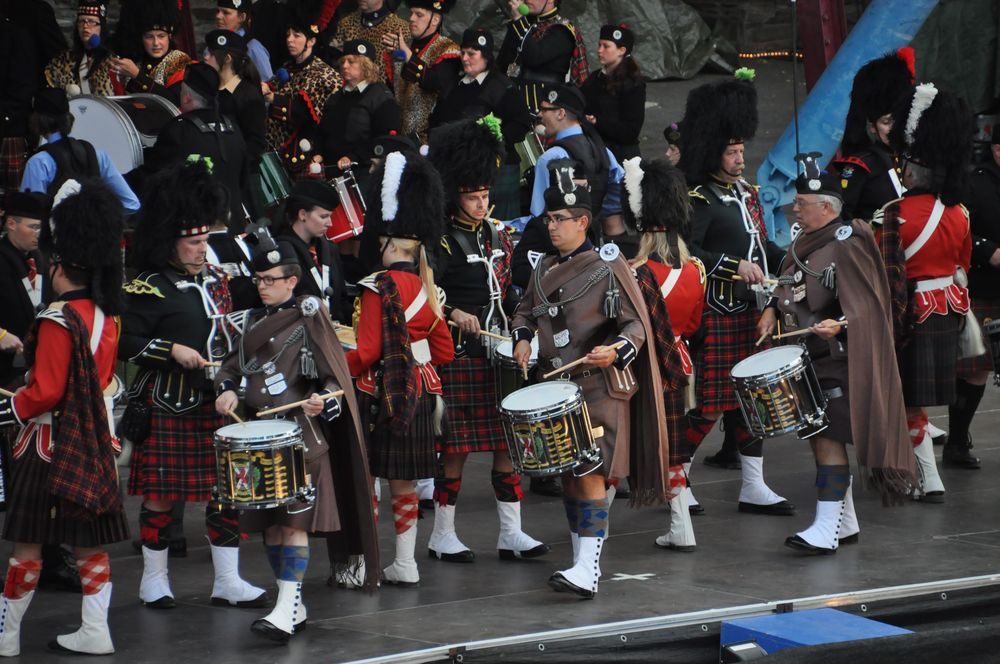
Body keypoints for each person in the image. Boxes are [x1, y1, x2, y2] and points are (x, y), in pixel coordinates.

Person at [510, 166, 671, 598]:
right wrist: (522, 339)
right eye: (548, 220)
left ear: (582, 222)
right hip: (554, 385)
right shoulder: (543, 264)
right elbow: (525, 311)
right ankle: (581, 560)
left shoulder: (608, 263)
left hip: (597, 382)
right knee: (568, 473)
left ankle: (589, 567)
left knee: (589, 469)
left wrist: (616, 349)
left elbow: (636, 324)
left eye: (559, 220)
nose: (551, 226)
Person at [122, 160, 267, 611]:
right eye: (195, 242)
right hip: (168, 404)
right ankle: (154, 581)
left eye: (206, 240)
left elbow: (237, 333)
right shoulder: (146, 287)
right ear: (170, 241)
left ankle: (227, 581)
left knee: (225, 495)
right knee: (161, 499)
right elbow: (123, 342)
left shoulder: (217, 280)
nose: (204, 249)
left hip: (217, 402)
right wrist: (170, 350)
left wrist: (233, 379)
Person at [215, 241, 377, 641]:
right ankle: (293, 603)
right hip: (258, 439)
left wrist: (325, 400)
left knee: (292, 526)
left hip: (301, 441)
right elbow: (229, 367)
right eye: (258, 280)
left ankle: (286, 607)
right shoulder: (250, 321)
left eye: (271, 280)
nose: (263, 287)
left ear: (292, 279)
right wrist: (228, 388)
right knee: (271, 528)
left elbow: (334, 378)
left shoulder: (309, 318)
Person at [757, 161, 916, 553]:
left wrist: (841, 324)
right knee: (817, 438)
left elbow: (871, 304)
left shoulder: (848, 242)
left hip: (838, 358)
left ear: (827, 208)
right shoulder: (801, 244)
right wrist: (770, 310)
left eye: (802, 203)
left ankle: (826, 527)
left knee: (826, 439)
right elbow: (788, 287)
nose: (795, 209)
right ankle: (844, 523)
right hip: (805, 357)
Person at [0, 178, 127, 656]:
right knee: (87, 545)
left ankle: (6, 636)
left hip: (47, 445)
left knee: (27, 545)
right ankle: (96, 631)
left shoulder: (56, 318)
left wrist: (10, 404)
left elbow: (46, 392)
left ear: (59, 267)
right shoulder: (106, 318)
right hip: (92, 444)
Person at [425, 116, 549, 564]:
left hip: (500, 356)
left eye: (485, 196)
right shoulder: (438, 241)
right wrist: (452, 312)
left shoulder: (498, 233)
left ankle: (511, 533)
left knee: (507, 445)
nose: (482, 204)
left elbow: (514, 290)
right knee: (454, 450)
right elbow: (425, 296)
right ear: (455, 192)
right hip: (461, 356)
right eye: (473, 197)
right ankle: (442, 534)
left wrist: (522, 332)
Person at [678, 70, 792, 514]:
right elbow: (686, 251)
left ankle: (753, 485)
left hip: (754, 311)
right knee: (709, 407)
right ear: (713, 152)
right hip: (717, 312)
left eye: (742, 150)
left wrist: (793, 258)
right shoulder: (700, 198)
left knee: (751, 403)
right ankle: (678, 479)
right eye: (731, 152)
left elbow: (761, 244)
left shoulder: (746, 193)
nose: (740, 158)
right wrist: (731, 266)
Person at [345, 149, 453, 587]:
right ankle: (404, 564)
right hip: (424, 392)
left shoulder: (378, 286)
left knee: (370, 480)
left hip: (382, 392)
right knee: (405, 482)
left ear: (390, 244)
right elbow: (443, 350)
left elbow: (368, 350)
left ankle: (368, 562)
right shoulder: (429, 288)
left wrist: (337, 364)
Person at [880, 84, 974, 502]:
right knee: (912, 399)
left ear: (913, 171)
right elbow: (962, 266)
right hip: (947, 312)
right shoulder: (960, 213)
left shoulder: (895, 214)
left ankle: (927, 477)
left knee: (902, 397)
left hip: (907, 313)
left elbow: (885, 273)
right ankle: (919, 473)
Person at [620, 156, 705, 548]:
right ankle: (681, 527)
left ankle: (592, 532)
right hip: (682, 364)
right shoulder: (695, 270)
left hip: (644, 367)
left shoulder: (637, 271)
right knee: (670, 449)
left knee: (619, 449)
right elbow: (695, 325)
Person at [429, 28, 533, 221]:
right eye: (463, 53)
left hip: (497, 169)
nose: (465, 58)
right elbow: (437, 121)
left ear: (485, 55)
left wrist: (489, 143)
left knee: (499, 228)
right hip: (458, 170)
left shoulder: (503, 86)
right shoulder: (455, 85)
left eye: (471, 54)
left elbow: (521, 123)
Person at [146, 63, 254, 229]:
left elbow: (156, 178)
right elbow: (243, 179)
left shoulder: (178, 129)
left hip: (196, 231)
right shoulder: (233, 127)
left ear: (187, 97)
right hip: (235, 228)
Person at [516, 84, 624, 242]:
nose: (540, 115)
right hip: (593, 242)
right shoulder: (603, 151)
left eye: (544, 110)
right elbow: (620, 188)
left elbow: (539, 216)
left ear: (560, 113)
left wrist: (504, 226)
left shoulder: (549, 159)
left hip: (558, 248)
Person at [953, 128, 1000, 468]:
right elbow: (959, 229)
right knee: (975, 370)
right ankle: (957, 442)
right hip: (985, 287)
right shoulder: (976, 183)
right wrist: (989, 251)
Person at [20, 88, 140, 213]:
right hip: (96, 231)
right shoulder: (99, 156)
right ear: (68, 118)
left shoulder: (38, 163)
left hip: (57, 231)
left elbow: (29, 214)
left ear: (37, 120)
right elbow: (131, 203)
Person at [833, 49, 915, 223]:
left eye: (899, 120)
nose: (895, 129)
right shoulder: (860, 166)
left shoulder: (915, 158)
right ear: (872, 127)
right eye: (886, 122)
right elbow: (841, 220)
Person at [265, 12, 343, 177]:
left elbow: (306, 115)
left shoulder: (323, 75)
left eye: (297, 35)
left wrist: (273, 98)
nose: (289, 40)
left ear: (312, 41)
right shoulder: (287, 67)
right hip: (277, 152)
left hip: (304, 156)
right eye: (288, 35)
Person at [319, 39, 401, 187]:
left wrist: (353, 157)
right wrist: (317, 152)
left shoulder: (381, 97)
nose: (344, 65)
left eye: (351, 62)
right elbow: (323, 130)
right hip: (330, 173)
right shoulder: (336, 97)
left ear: (366, 64)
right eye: (343, 61)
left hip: (362, 176)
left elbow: (386, 139)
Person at [383, 0, 460, 141]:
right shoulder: (406, 46)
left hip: (427, 141)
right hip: (399, 138)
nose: (411, 18)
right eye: (411, 13)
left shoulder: (448, 49)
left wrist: (408, 55)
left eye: (419, 15)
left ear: (435, 20)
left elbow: (435, 83)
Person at [274, 179, 349, 322]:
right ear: (302, 214)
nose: (330, 223)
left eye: (330, 216)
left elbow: (342, 300)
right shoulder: (281, 253)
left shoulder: (329, 250)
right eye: (323, 216)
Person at [496, 0, 588, 114]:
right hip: (510, 98)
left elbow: (535, 57)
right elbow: (502, 62)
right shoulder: (524, 25)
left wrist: (520, 21)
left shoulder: (562, 30)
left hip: (540, 107)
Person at [0, 192, 48, 386]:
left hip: (31, 367)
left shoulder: (39, 260)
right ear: (11, 224)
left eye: (40, 228)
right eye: (33, 227)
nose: (38, 234)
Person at [581, 25, 646, 163]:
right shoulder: (595, 78)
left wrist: (597, 122)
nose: (599, 50)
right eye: (599, 45)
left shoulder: (633, 83)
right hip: (596, 152)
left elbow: (631, 131)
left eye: (606, 46)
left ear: (621, 50)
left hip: (622, 158)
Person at [204, 29, 267, 169]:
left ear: (227, 59)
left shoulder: (248, 96)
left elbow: (255, 143)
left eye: (212, 53)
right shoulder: (211, 90)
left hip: (241, 176)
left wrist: (231, 165)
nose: (206, 57)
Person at [109, 0, 191, 106]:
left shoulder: (180, 60)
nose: (156, 43)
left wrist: (137, 75)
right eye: (149, 37)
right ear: (142, 38)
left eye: (161, 36)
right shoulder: (138, 61)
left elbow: (174, 100)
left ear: (169, 36)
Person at [44, 1, 122, 98]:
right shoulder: (62, 61)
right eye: (82, 21)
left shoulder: (113, 62)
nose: (85, 26)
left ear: (101, 27)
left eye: (92, 22)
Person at [332, 0, 410, 84]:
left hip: (383, 93)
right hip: (349, 91)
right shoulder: (345, 24)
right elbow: (335, 64)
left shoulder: (400, 29)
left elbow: (402, 77)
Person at [215, 0, 273, 83]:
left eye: (226, 13)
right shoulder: (213, 46)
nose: (218, 16)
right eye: (217, 11)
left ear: (242, 17)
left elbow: (268, 86)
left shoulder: (252, 48)